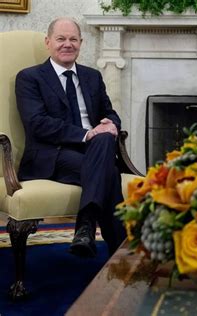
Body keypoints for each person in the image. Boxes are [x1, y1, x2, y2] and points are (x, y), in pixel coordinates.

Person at [15, 17, 125, 257]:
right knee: (110, 173)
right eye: (61, 39)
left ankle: (86, 228)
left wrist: (112, 124)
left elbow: (110, 114)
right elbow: (37, 124)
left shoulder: (92, 76)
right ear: (48, 42)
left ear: (81, 43)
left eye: (73, 39)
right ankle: (121, 254)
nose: (68, 44)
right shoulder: (29, 78)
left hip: (93, 150)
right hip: (52, 154)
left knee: (105, 138)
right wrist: (87, 134)